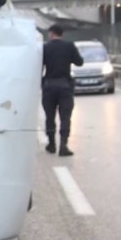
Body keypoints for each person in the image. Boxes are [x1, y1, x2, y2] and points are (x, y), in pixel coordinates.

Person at [42, 24, 84, 157]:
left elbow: (38, 66)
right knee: (65, 117)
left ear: (51, 33)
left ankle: (51, 144)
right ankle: (63, 146)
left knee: (50, 117)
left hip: (49, 86)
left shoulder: (45, 48)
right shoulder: (69, 46)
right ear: (62, 34)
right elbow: (79, 62)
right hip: (65, 86)